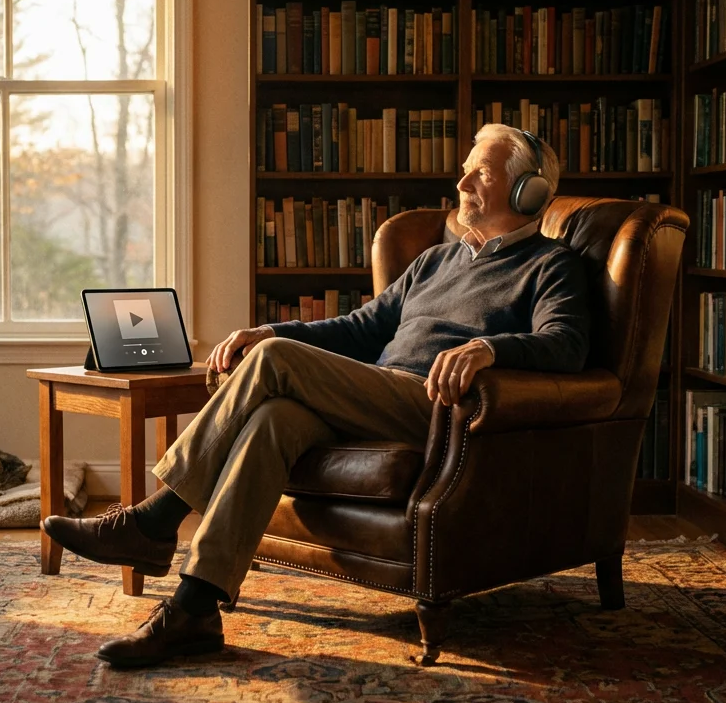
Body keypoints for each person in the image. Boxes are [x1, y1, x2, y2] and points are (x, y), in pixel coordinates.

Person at [43, 123, 591, 668]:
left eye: (483, 172)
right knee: (274, 419)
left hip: (436, 409)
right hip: (373, 395)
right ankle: (194, 610)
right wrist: (271, 333)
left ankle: (155, 521)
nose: (462, 179)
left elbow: (564, 345)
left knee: (274, 363)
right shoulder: (434, 261)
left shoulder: (552, 265)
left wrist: (488, 349)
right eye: (467, 166)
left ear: (529, 193)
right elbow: (358, 329)